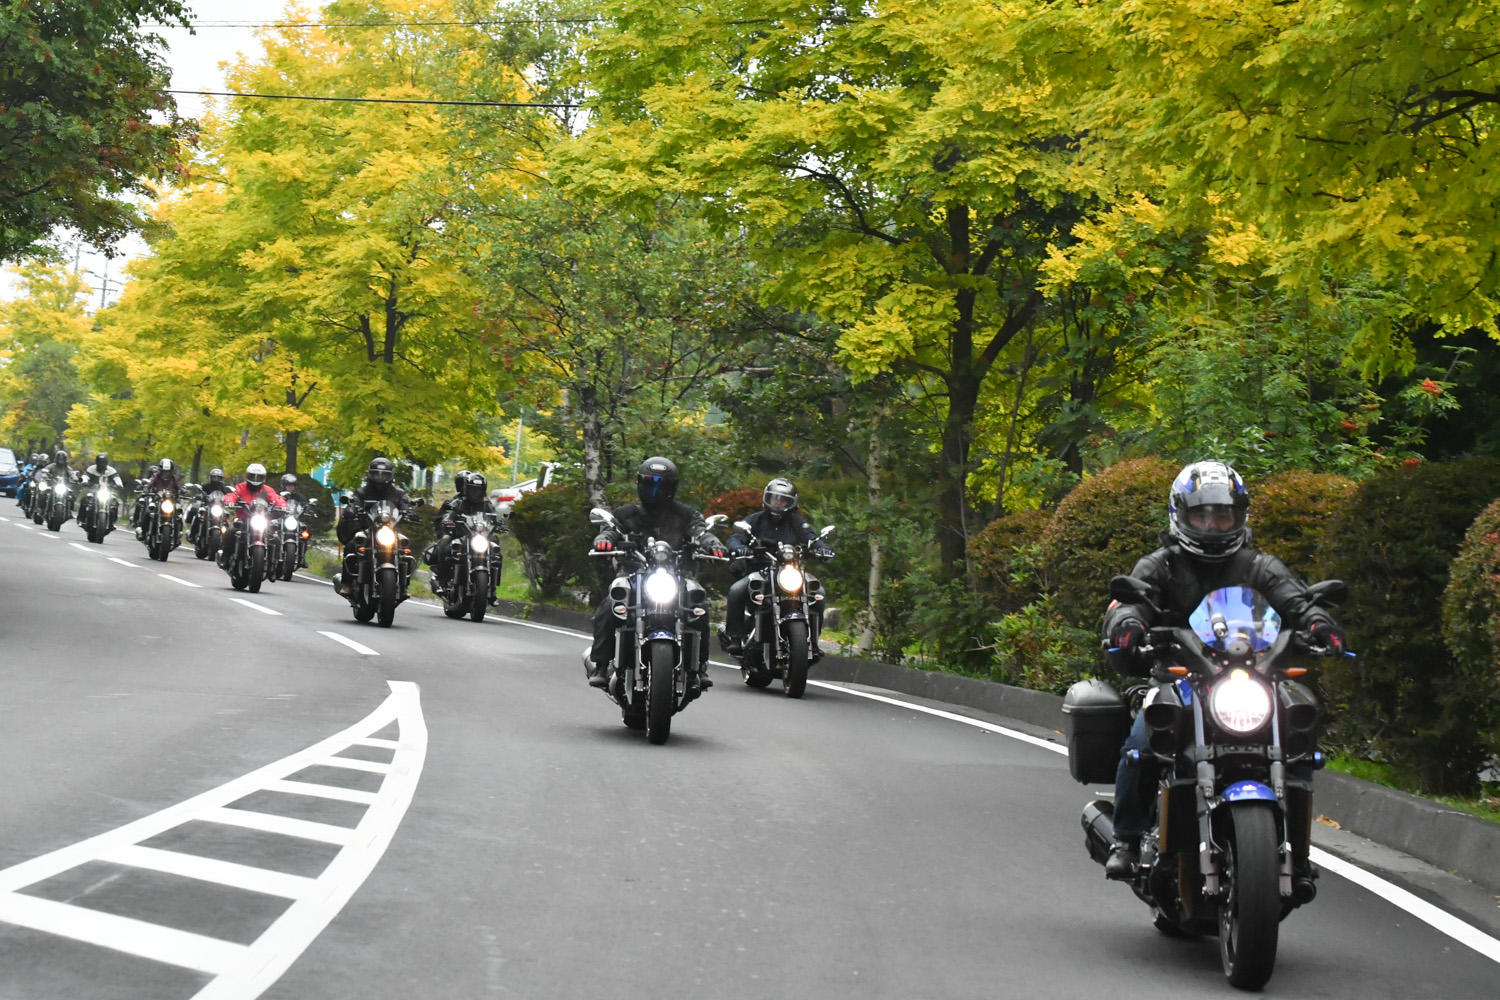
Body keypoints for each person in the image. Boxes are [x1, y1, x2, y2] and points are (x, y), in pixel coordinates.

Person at [1100, 460, 1346, 890]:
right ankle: (1126, 836)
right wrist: (1127, 626)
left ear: (1239, 516)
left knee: (1299, 739)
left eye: (1223, 515)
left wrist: (1318, 624)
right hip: (1179, 677)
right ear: (1181, 515)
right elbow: (1131, 604)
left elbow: (1296, 600)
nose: (1213, 525)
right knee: (1143, 741)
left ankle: (1298, 853)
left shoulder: (1259, 566)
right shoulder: (1160, 566)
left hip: (1251, 674)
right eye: (1202, 515)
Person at [587, 456, 727, 690]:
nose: (654, 490)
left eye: (660, 485)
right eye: (649, 483)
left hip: (673, 576)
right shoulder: (627, 513)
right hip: (633, 573)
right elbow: (611, 530)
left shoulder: (685, 514)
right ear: (640, 484)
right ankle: (601, 664)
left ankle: (699, 667)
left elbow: (701, 531)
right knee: (612, 601)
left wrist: (712, 543)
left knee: (698, 604)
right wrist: (603, 540)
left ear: (671, 488)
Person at [719, 477, 833, 657]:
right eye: (774, 498)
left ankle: (813, 642)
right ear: (767, 498)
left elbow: (810, 538)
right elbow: (736, 537)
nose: (778, 502)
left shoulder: (797, 522)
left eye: (783, 499)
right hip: (761, 570)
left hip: (791, 570)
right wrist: (738, 547)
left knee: (819, 594)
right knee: (736, 590)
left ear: (791, 502)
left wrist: (822, 549)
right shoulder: (755, 520)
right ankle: (735, 636)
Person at [334, 457, 416, 596]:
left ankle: (404, 585)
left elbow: (405, 505)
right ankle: (347, 583)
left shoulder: (398, 493)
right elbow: (354, 502)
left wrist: (410, 512)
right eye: (377, 474)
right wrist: (351, 509)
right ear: (370, 474)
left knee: (404, 550)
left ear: (390, 475)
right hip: (368, 529)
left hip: (390, 529)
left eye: (383, 474)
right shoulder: (362, 492)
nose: (380, 477)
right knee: (351, 545)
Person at [430, 471, 502, 595]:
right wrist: (447, 522)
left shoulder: (486, 504)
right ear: (466, 489)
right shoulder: (458, 502)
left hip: (480, 535)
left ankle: (493, 589)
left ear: (483, 490)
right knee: (444, 544)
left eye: (478, 490)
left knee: (496, 549)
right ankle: (442, 580)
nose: (476, 493)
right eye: (473, 490)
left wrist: (500, 524)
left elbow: (494, 517)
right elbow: (448, 515)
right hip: (461, 535)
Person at [80, 453, 125, 527]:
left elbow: (116, 478)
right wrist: (84, 481)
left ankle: (113, 521)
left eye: (103, 462)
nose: (101, 464)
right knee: (85, 499)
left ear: (106, 463)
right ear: (97, 462)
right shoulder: (91, 469)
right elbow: (85, 476)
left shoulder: (111, 470)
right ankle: (81, 519)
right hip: (94, 491)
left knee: (115, 502)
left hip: (107, 491)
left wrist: (119, 484)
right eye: (100, 462)